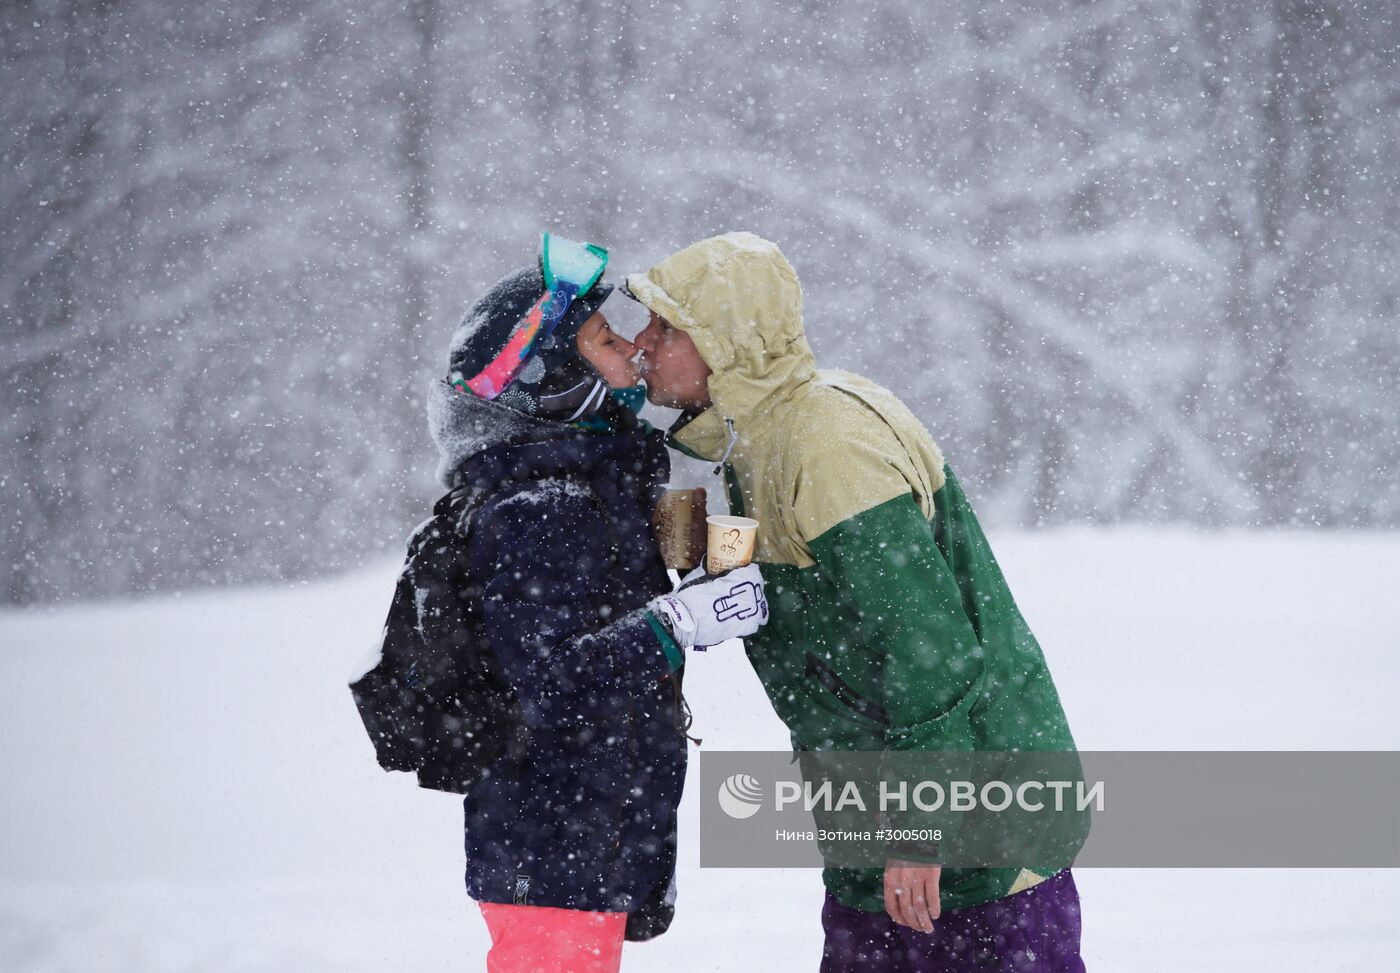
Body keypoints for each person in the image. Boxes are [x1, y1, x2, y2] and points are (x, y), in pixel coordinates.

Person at [623, 232, 1087, 972]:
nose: (643, 342)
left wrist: (917, 830)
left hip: (979, 836)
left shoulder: (827, 442)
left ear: (727, 340)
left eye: (667, 327)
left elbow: (926, 655)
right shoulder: (752, 444)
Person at [357, 235, 768, 973]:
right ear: (549, 379)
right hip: (552, 848)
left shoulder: (581, 490)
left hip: (581, 841)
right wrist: (677, 622)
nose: (632, 350)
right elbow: (551, 685)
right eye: (604, 342)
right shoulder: (537, 508)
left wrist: (688, 572)